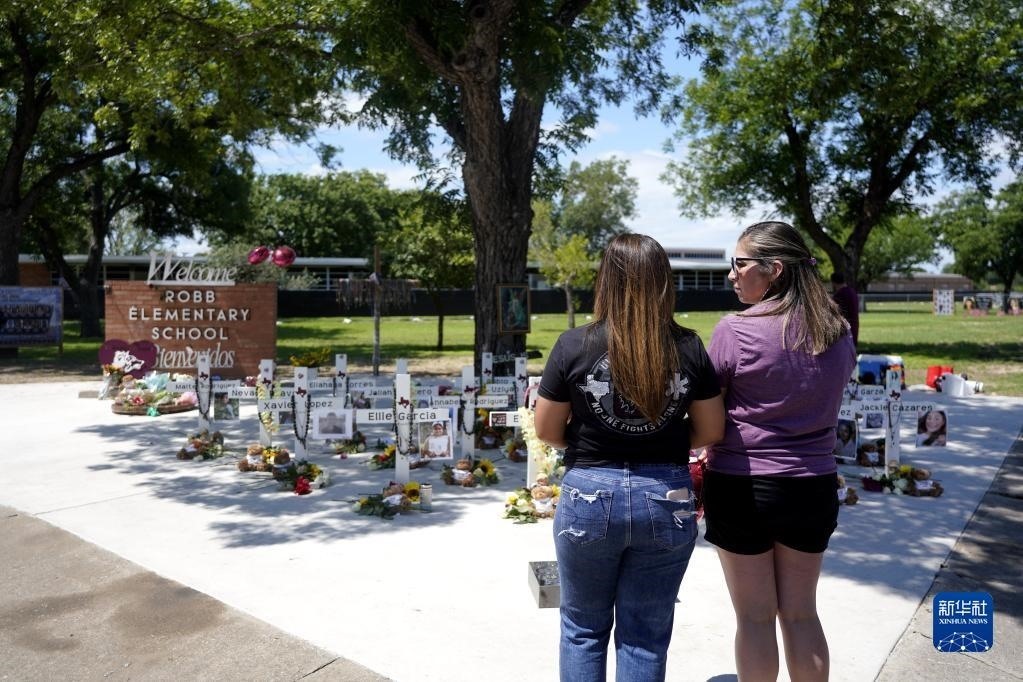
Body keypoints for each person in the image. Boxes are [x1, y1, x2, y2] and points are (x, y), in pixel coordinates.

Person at [533, 233, 725, 681]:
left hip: (589, 492)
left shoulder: (574, 344)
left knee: (582, 629)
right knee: (645, 635)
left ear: (606, 280)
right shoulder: (688, 346)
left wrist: (587, 440)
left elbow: (546, 429)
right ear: (663, 282)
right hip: (666, 494)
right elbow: (711, 430)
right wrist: (664, 441)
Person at [704, 221, 856, 682]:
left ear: (773, 269)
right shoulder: (837, 332)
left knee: (754, 619)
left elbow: (708, 416)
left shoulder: (735, 330)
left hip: (742, 485)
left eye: (739, 263)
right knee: (802, 614)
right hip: (812, 486)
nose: (731, 274)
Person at [830, 271, 859, 346]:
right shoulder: (852, 292)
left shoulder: (839, 295)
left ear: (833, 282)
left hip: (844, 332)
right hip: (854, 327)